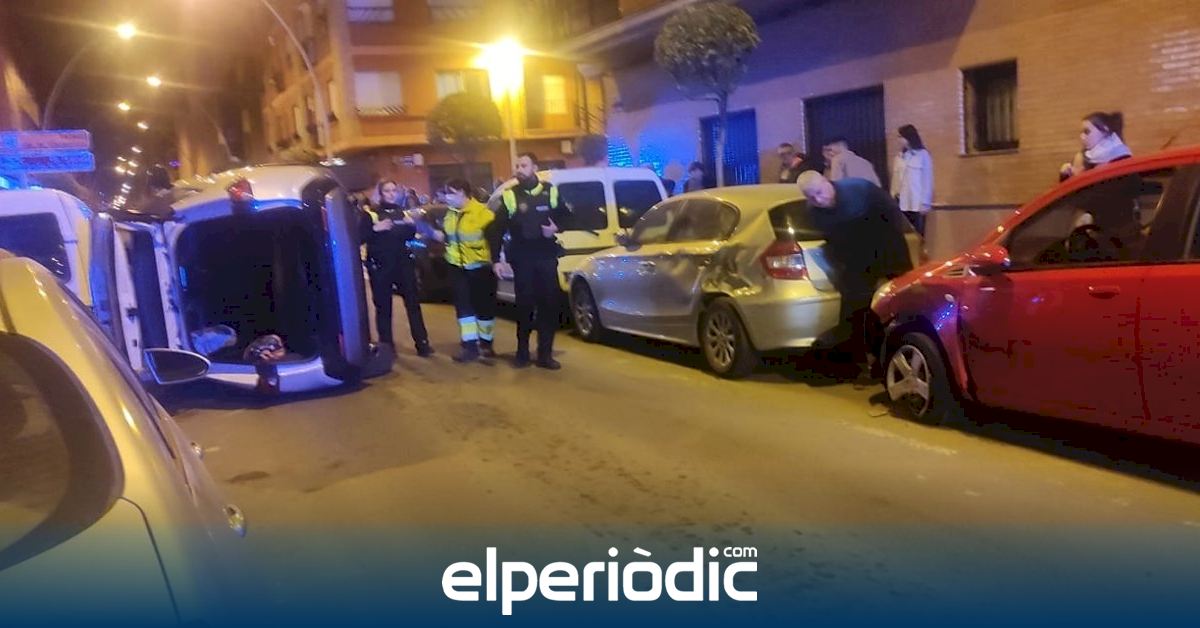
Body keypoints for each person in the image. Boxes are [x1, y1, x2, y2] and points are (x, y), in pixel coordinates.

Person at [797, 170, 914, 374]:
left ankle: (909, 348)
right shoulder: (814, 213)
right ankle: (863, 360)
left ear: (826, 181)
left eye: (819, 192)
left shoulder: (859, 190)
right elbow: (833, 240)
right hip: (856, 260)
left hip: (888, 248)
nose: (818, 200)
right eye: (811, 197)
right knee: (855, 309)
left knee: (903, 300)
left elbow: (892, 214)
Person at [493, 152, 570, 369]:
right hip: (522, 259)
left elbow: (567, 216)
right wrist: (495, 259)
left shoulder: (550, 191)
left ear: (534, 168)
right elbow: (496, 230)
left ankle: (545, 354)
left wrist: (556, 227)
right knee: (524, 307)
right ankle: (522, 353)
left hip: (546, 257)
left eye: (523, 165)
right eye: (517, 166)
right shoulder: (510, 195)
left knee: (548, 306)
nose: (519, 169)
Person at [360, 179, 433, 357]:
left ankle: (422, 344)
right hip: (380, 266)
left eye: (394, 190)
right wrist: (375, 229)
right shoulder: (371, 214)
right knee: (383, 307)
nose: (391, 194)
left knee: (413, 304)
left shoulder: (402, 213)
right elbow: (359, 237)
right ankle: (387, 347)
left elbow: (410, 234)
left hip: (403, 264)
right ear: (380, 193)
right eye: (387, 191)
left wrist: (410, 226)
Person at [434, 178, 502, 362]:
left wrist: (496, 262)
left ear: (461, 193)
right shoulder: (451, 214)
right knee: (464, 309)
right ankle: (469, 345)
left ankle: (486, 345)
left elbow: (494, 241)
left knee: (484, 308)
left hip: (480, 268)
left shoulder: (483, 214)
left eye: (450, 193)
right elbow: (450, 237)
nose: (447, 197)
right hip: (457, 268)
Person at [1060, 111, 1131, 180]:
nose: (1082, 137)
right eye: (1081, 133)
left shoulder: (1120, 157)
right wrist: (1065, 176)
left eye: (1087, 132)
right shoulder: (1122, 152)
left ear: (1104, 130)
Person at [889, 125, 934, 235]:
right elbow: (895, 179)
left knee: (917, 234)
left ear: (908, 137)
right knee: (903, 235)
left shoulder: (923, 155)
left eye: (900, 137)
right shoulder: (899, 157)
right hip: (901, 202)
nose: (899, 140)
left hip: (916, 203)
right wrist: (892, 197)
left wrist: (925, 203)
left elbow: (927, 180)